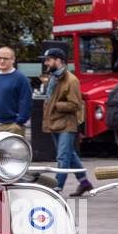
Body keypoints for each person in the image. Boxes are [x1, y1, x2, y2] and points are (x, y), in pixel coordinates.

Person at [40, 48, 91, 195]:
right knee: (70, 155)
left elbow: (76, 104)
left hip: (67, 125)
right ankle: (85, 183)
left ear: (58, 60)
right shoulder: (53, 77)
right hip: (56, 123)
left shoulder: (71, 80)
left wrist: (56, 105)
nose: (46, 63)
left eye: (49, 59)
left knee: (63, 157)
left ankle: (57, 187)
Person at [0, 46, 32, 135]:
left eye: (5, 58)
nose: (2, 61)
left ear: (13, 59)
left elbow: (26, 102)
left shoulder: (21, 78)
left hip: (13, 126)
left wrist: (19, 122)